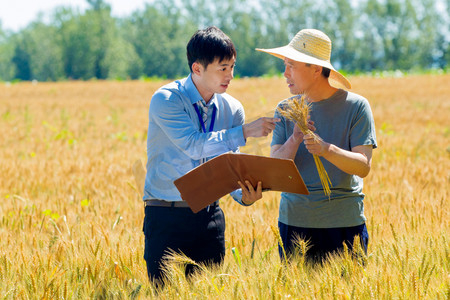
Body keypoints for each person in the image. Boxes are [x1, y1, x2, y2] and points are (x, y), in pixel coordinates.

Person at [143, 26, 279, 286]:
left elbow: (230, 164)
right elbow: (193, 144)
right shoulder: (167, 99)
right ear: (197, 69)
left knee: (211, 292)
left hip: (210, 218)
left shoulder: (233, 108)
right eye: (223, 68)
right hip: (166, 215)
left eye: (232, 67)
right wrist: (245, 131)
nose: (230, 76)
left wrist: (245, 196)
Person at [256, 29, 377, 262]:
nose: (285, 73)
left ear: (315, 69)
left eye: (291, 65)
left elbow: (363, 167)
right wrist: (294, 139)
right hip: (294, 225)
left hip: (345, 225)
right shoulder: (285, 108)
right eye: (285, 65)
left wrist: (326, 149)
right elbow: (275, 169)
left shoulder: (356, 106)